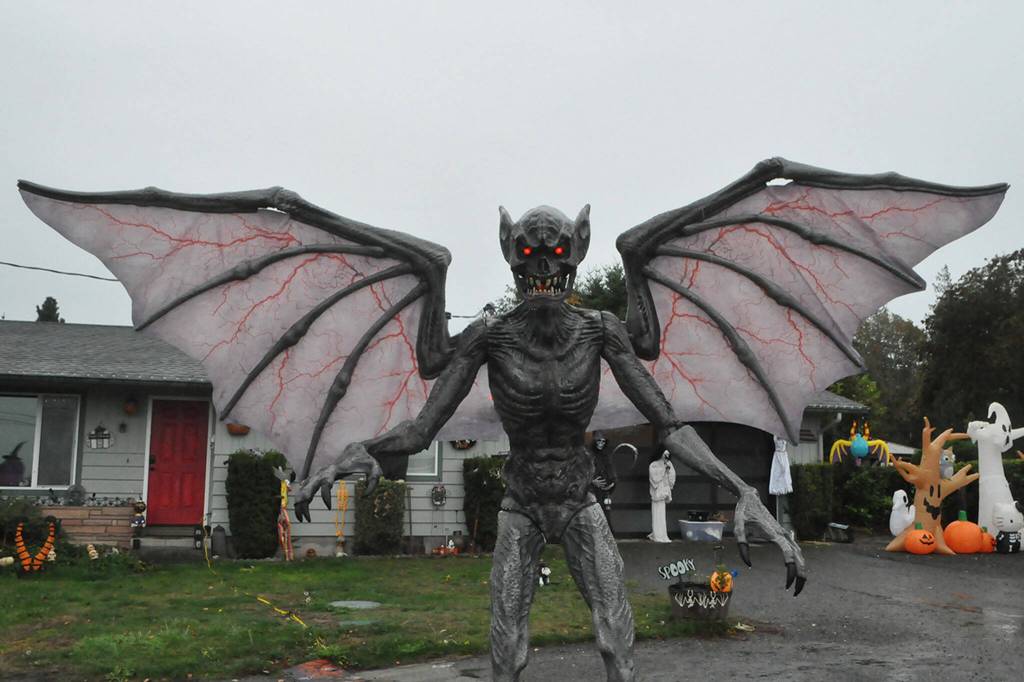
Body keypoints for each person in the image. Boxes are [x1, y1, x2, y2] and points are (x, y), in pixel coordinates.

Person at [648, 450, 676, 542]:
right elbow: (654, 478)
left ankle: (663, 534)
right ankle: (657, 535)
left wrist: (668, 471)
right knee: (656, 514)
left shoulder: (669, 464)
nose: (666, 456)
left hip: (664, 489)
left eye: (668, 454)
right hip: (657, 491)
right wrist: (663, 469)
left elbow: (672, 476)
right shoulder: (654, 464)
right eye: (665, 454)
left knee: (662, 514)